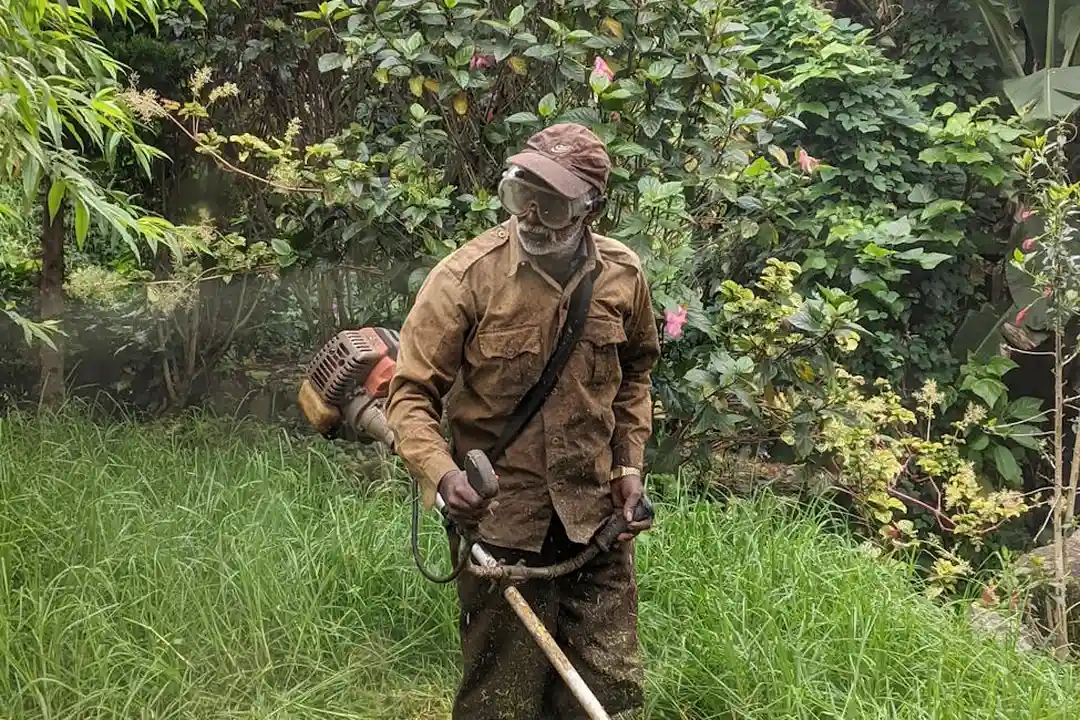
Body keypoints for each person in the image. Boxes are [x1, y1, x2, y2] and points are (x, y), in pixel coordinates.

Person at [385, 122, 661, 720]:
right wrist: (441, 476)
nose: (531, 217)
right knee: (502, 703)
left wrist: (628, 463)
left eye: (553, 203)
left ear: (591, 206)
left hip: (597, 526)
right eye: (520, 196)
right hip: (502, 531)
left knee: (607, 694)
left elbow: (636, 374)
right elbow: (408, 396)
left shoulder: (623, 276)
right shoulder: (465, 280)